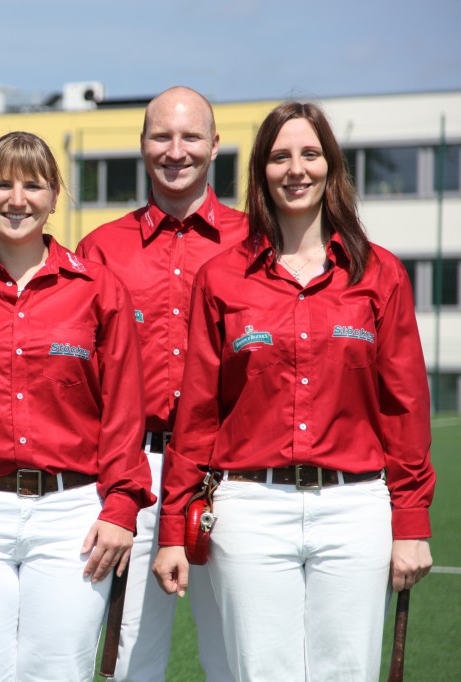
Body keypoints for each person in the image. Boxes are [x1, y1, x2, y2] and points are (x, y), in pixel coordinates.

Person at [153, 101, 436, 681]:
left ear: (331, 166)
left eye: (310, 154)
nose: (296, 169)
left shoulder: (379, 274)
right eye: (280, 157)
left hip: (355, 510)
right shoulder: (223, 278)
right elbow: (199, 413)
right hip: (251, 511)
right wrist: (173, 531)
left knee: (345, 673)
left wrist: (410, 524)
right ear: (260, 172)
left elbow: (404, 408)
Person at [0, 131, 154, 682]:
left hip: (73, 516)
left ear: (54, 195)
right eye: (2, 184)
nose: (18, 199)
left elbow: (124, 413)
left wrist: (122, 509)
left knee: (58, 671)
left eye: (33, 185)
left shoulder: (98, 290)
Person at [75, 86, 244, 682]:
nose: (176, 151)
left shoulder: (256, 244)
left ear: (216, 146)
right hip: (133, 471)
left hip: (233, 472)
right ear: (142, 145)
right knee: (126, 660)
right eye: (161, 137)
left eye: (191, 136)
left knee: (239, 657)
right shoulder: (98, 250)